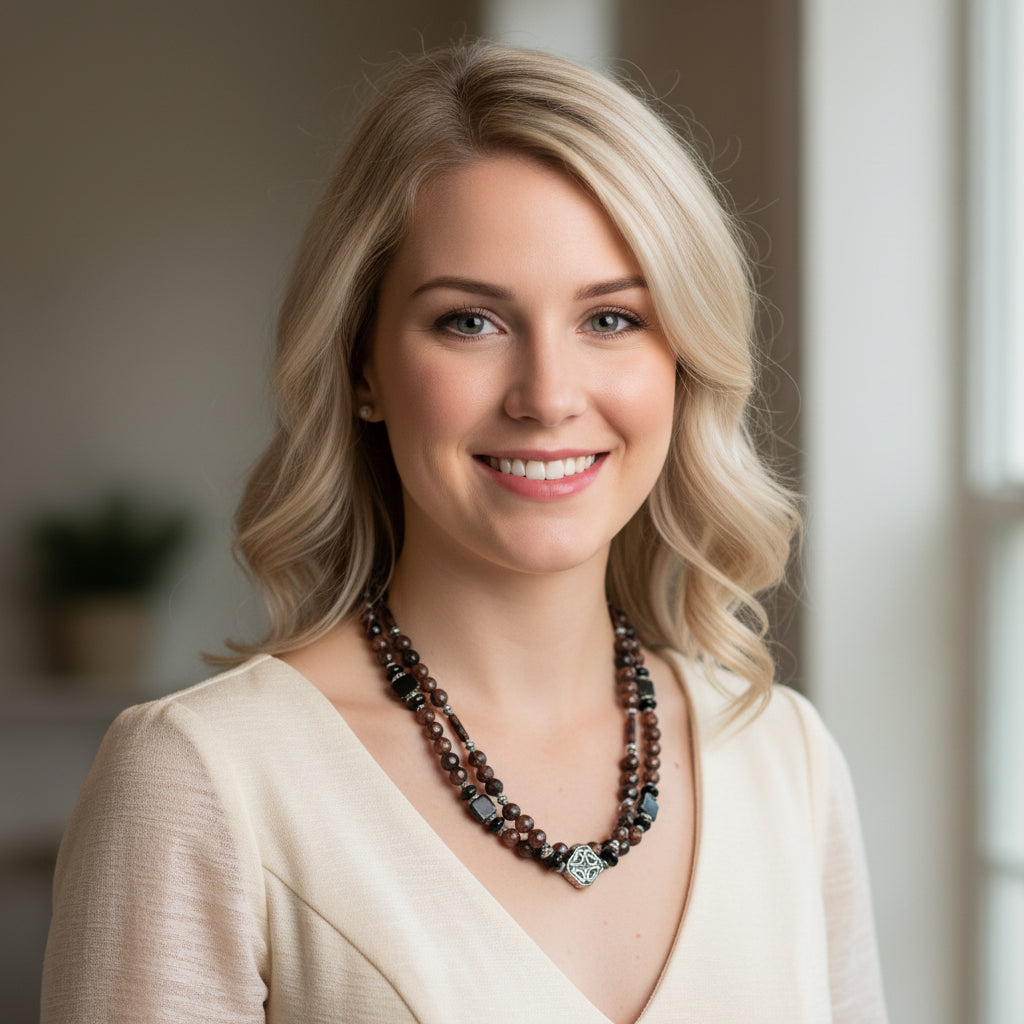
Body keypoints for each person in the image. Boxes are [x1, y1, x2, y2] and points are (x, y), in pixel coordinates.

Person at [41, 42, 888, 1024]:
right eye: (470, 323)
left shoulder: (784, 758)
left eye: (610, 319)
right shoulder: (200, 778)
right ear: (362, 366)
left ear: (682, 360)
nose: (547, 396)